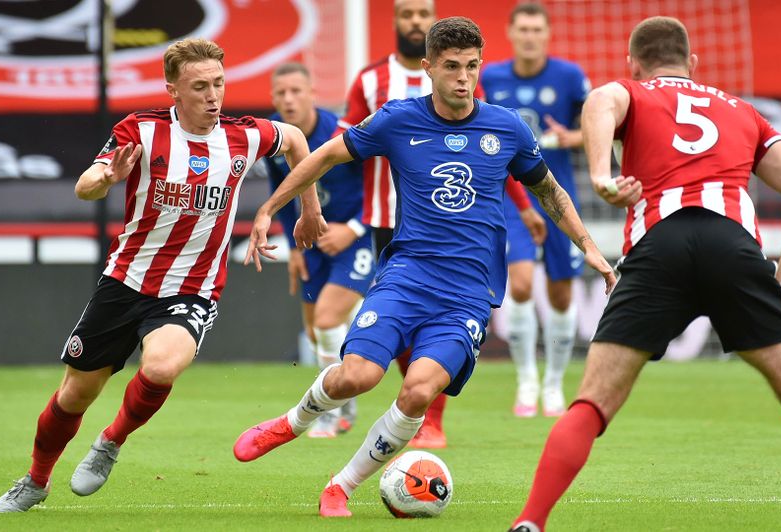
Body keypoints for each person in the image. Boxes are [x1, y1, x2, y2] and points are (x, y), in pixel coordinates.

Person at [232, 17, 615, 518]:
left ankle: (340, 487)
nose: (463, 77)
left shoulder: (507, 128)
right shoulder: (397, 120)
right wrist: (273, 209)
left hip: (468, 295)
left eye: (472, 66)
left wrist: (586, 243)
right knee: (357, 377)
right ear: (428, 67)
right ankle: (292, 422)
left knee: (418, 390)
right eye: (452, 67)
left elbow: (548, 189)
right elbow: (324, 156)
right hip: (407, 276)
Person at [509, 17, 781, 531]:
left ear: (633, 63)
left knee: (592, 404)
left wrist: (599, 177)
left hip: (659, 246)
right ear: (693, 64)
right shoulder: (743, 111)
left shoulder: (630, 91)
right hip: (733, 247)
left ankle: (531, 521)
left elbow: (601, 103)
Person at [0, 38, 317, 513]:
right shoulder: (140, 131)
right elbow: (86, 185)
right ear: (173, 91)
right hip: (125, 281)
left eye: (219, 84)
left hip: (192, 288)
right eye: (200, 86)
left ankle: (111, 441)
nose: (213, 96)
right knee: (74, 395)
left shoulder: (243, 136)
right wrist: (103, 180)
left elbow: (297, 142)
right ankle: (36, 481)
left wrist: (306, 209)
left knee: (162, 364)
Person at [339, 0, 545, 448]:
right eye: (407, 14)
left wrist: (524, 205)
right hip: (385, 217)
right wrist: (340, 215)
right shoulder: (370, 81)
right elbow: (344, 150)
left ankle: (429, 414)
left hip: (455, 221)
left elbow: (487, 155)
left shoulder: (462, 74)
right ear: (396, 23)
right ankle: (378, 404)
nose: (415, 21)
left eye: (422, 13)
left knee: (439, 321)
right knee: (396, 321)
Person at [481, 2, 592, 418]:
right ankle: (526, 380)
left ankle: (554, 383)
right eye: (523, 29)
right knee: (522, 284)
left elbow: (599, 129)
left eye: (536, 30)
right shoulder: (490, 77)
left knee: (562, 294)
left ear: (547, 35)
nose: (530, 36)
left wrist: (572, 138)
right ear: (511, 33)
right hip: (514, 198)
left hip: (558, 197)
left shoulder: (569, 77)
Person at [264, 62, 371, 438]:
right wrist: (293, 248)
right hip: (311, 243)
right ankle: (340, 393)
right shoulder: (277, 139)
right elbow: (282, 192)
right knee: (315, 333)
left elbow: (382, 187)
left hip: (357, 239)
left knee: (326, 320)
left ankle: (339, 408)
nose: (289, 99)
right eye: (281, 93)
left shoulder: (345, 134)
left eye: (296, 91)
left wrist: (353, 228)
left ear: (312, 93)